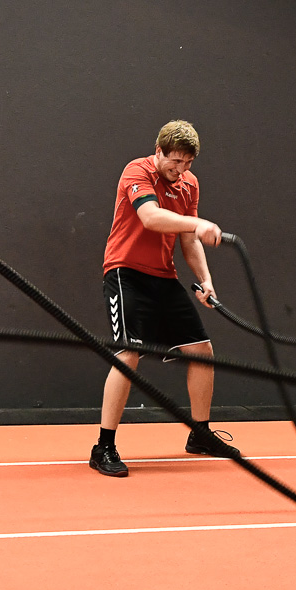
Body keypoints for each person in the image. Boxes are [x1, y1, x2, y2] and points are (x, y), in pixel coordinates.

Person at [90, 120, 239, 477]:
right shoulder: (135, 171)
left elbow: (188, 241)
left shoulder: (189, 184)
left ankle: (200, 434)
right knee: (128, 354)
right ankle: (104, 446)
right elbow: (151, 217)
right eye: (174, 162)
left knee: (202, 350)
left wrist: (206, 281)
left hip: (163, 277)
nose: (181, 170)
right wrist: (196, 224)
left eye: (187, 164)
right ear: (159, 152)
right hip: (126, 272)